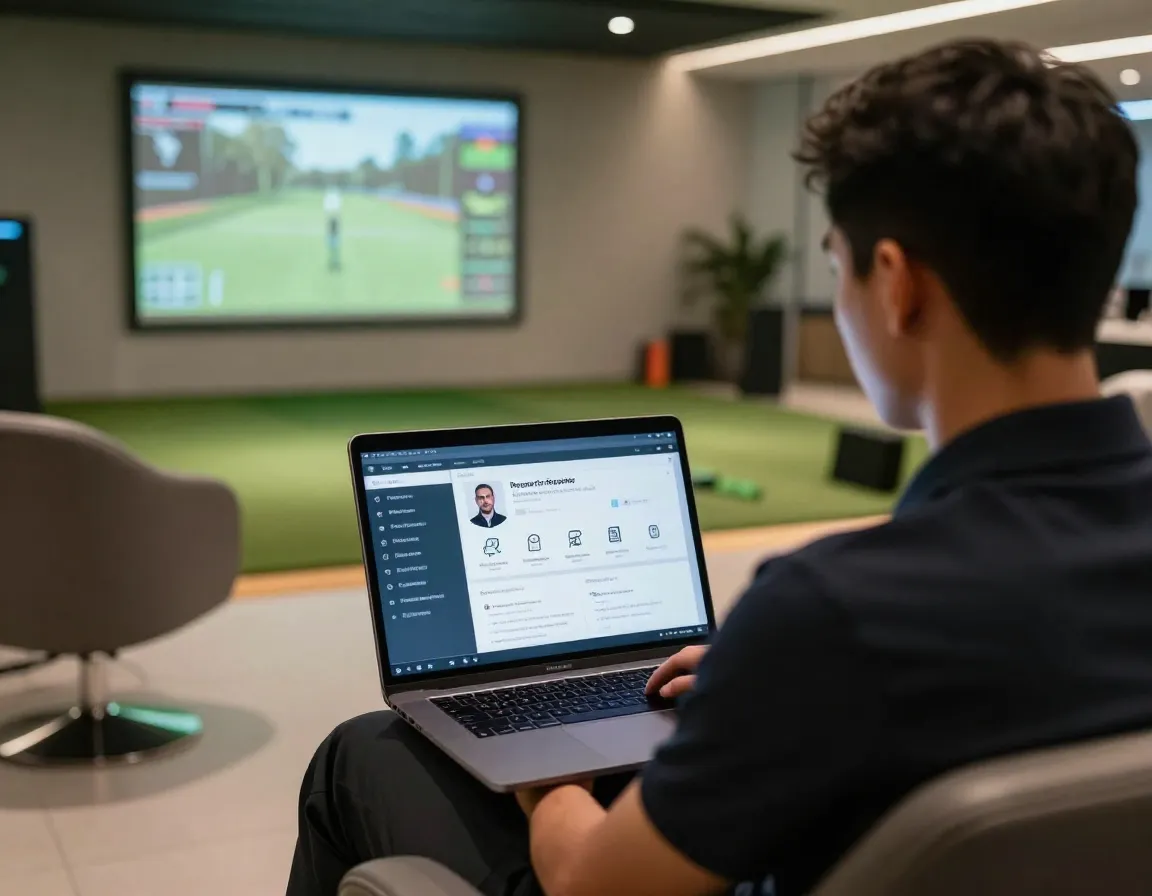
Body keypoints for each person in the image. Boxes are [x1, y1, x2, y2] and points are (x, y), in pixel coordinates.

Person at [288, 39, 1152, 896]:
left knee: (360, 755)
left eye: (836, 268)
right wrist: (760, 686)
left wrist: (545, 777)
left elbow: (594, 886)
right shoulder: (832, 631)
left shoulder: (835, 613)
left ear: (896, 285)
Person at [324, 186, 342, 272]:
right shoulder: (332, 220)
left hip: (334, 236)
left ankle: (334, 262)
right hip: (332, 236)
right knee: (333, 251)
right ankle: (333, 262)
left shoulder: (334, 220)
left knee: (334, 251)